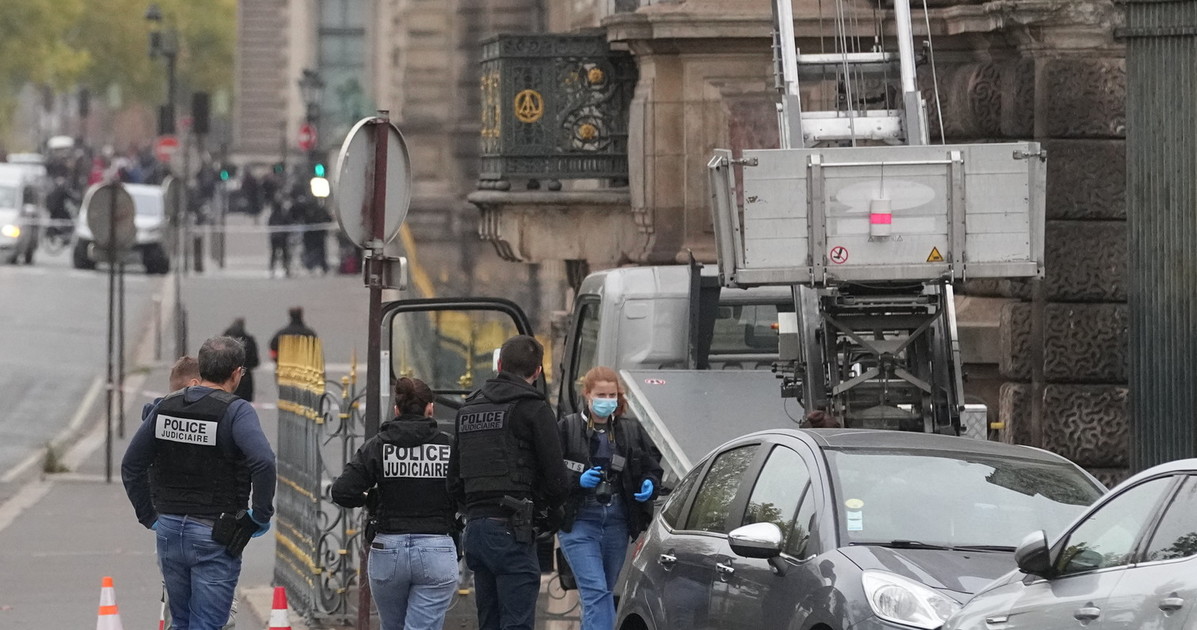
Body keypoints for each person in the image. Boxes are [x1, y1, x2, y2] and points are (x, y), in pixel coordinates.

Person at [121, 336, 277, 630]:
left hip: (169, 529)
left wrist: (149, 516)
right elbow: (264, 462)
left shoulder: (165, 407)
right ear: (236, 373)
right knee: (207, 624)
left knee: (180, 622)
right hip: (215, 533)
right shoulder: (236, 411)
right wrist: (260, 516)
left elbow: (132, 465)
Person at [447, 335, 569, 630]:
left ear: (499, 365)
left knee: (488, 620)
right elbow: (557, 478)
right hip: (513, 530)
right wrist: (547, 514)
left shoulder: (469, 410)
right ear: (537, 371)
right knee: (516, 623)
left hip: (476, 530)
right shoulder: (534, 410)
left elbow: (453, 482)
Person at [331, 377, 458, 630]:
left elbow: (342, 491)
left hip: (388, 549)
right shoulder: (449, 446)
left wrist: (370, 498)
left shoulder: (378, 445)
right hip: (437, 547)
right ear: (430, 408)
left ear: (397, 410)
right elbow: (466, 492)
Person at [557, 366, 663, 630]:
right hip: (580, 518)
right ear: (587, 394)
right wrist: (577, 480)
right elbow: (550, 473)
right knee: (596, 593)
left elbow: (651, 465)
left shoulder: (630, 430)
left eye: (612, 395)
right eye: (601, 394)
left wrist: (649, 482)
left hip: (617, 519)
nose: (607, 401)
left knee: (601, 593)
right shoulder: (568, 428)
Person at [222, 318, 261, 402]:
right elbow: (255, 361)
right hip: (245, 377)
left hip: (225, 376)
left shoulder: (223, 340)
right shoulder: (249, 340)